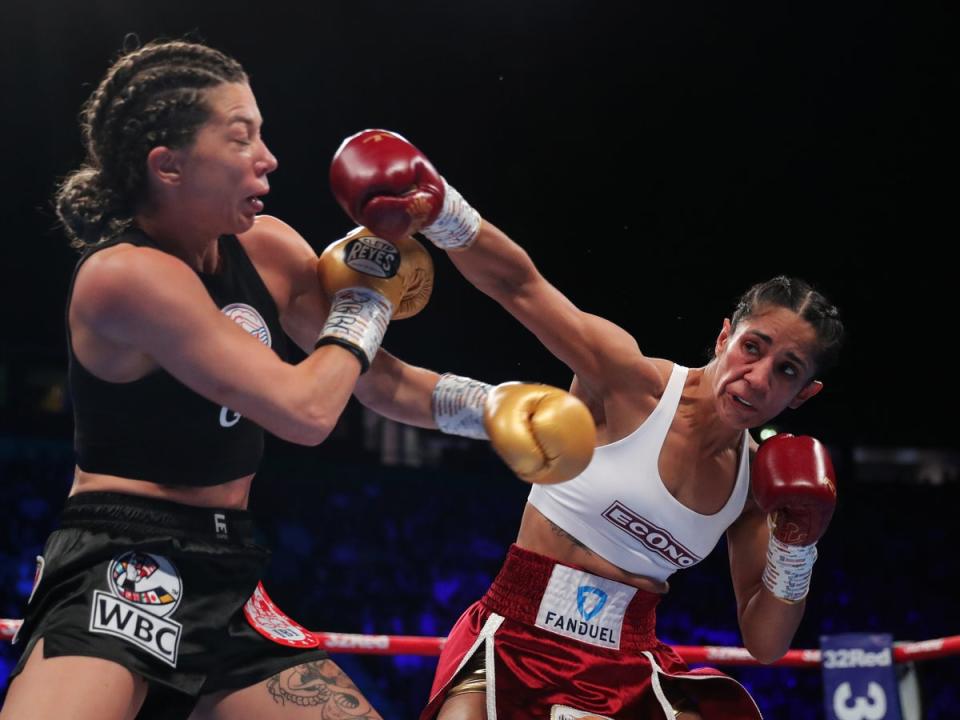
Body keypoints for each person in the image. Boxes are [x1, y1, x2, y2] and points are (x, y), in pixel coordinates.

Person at [0, 43, 596, 720]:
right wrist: (368, 298)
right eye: (240, 136)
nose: (267, 157)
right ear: (168, 165)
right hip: (121, 564)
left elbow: (369, 381)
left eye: (262, 131)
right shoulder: (126, 277)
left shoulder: (270, 249)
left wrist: (484, 405)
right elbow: (305, 410)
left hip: (228, 570)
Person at [328, 129, 845, 720]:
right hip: (517, 630)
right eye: (752, 347)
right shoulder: (630, 381)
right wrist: (445, 210)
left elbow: (766, 642)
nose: (756, 378)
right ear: (725, 336)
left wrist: (796, 548)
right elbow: (520, 287)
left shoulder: (756, 486)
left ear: (805, 393)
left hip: (628, 664)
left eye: (785, 370)